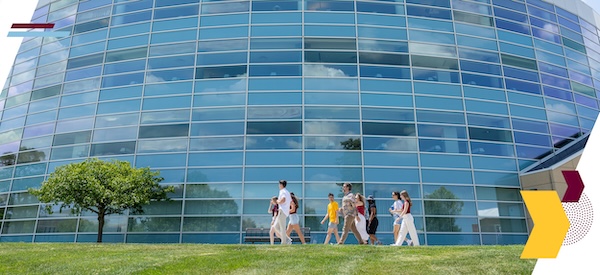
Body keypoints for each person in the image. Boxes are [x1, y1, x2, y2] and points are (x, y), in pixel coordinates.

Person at [276, 180, 293, 245]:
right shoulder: (287, 192)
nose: (278, 186)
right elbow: (291, 202)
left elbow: (283, 199)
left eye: (279, 184)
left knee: (282, 228)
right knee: (276, 227)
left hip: (282, 211)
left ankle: (284, 242)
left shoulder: (282, 191)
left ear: (281, 185)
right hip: (285, 212)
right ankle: (287, 239)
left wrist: (278, 201)